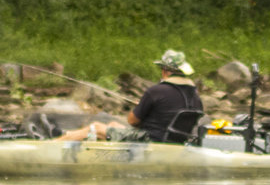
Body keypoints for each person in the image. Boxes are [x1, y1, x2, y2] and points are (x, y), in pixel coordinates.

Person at [64, 50, 204, 142]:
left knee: (95, 127)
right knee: (112, 125)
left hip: (149, 141)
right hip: (175, 141)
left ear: (165, 71)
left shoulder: (156, 91)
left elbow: (132, 121)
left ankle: (53, 144)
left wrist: (140, 106)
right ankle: (66, 136)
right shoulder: (195, 95)